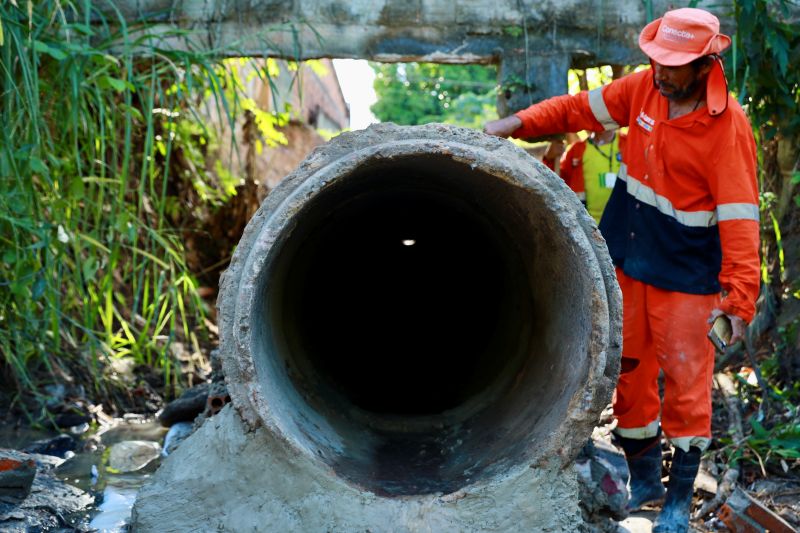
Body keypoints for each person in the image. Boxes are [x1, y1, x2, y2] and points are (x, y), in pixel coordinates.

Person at [484, 8, 759, 533]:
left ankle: (678, 503)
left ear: (706, 65)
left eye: (674, 66)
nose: (661, 72)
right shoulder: (642, 90)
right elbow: (576, 109)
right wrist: (516, 124)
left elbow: (741, 219)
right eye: (657, 60)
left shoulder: (727, 127)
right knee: (628, 377)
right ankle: (645, 482)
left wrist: (738, 300)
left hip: (686, 278)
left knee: (686, 386)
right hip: (629, 263)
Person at [542, 129, 625, 223]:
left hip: (624, 224)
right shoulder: (576, 150)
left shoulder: (628, 143)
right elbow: (556, 184)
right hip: (588, 224)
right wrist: (549, 159)